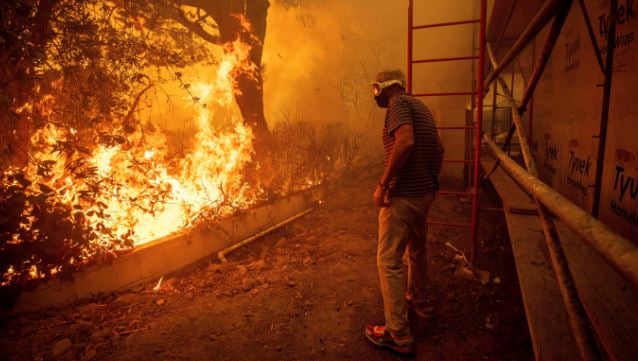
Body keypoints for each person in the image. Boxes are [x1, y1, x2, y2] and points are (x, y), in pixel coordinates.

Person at [364, 69, 444, 354]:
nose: (375, 95)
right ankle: (421, 304)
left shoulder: (398, 104)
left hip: (404, 197)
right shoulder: (420, 106)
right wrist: (430, 181)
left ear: (385, 88)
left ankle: (398, 334)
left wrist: (384, 183)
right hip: (423, 195)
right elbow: (440, 148)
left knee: (389, 261)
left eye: (375, 89)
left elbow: (406, 141)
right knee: (417, 250)